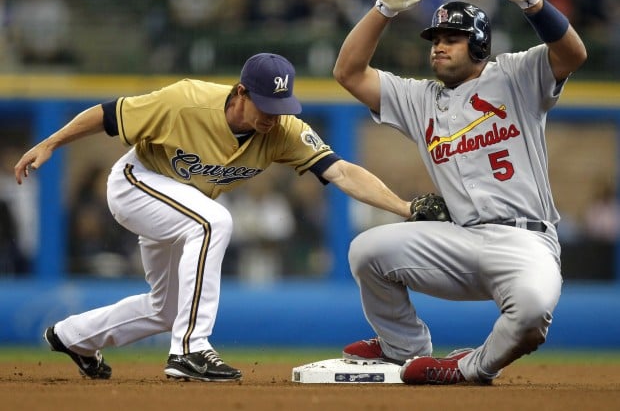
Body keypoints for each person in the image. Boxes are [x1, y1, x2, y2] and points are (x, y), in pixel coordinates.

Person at [14, 52, 413, 382]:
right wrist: (50, 143)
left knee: (166, 308)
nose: (272, 117)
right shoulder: (185, 101)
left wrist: (405, 208)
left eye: (281, 107)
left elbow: (341, 171)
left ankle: (72, 336)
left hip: (180, 203)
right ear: (240, 93)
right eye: (265, 105)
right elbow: (106, 114)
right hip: (137, 183)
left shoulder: (283, 131)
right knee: (213, 221)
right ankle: (191, 349)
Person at [332, 0, 587, 385]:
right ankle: (403, 346)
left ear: (480, 44)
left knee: (530, 313)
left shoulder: (515, 76)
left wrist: (531, 1)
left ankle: (469, 367)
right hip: (461, 240)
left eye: (452, 38)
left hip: (525, 241)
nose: (439, 47)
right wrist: (382, 11)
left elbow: (573, 55)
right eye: (435, 40)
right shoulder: (420, 99)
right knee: (367, 250)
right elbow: (349, 73)